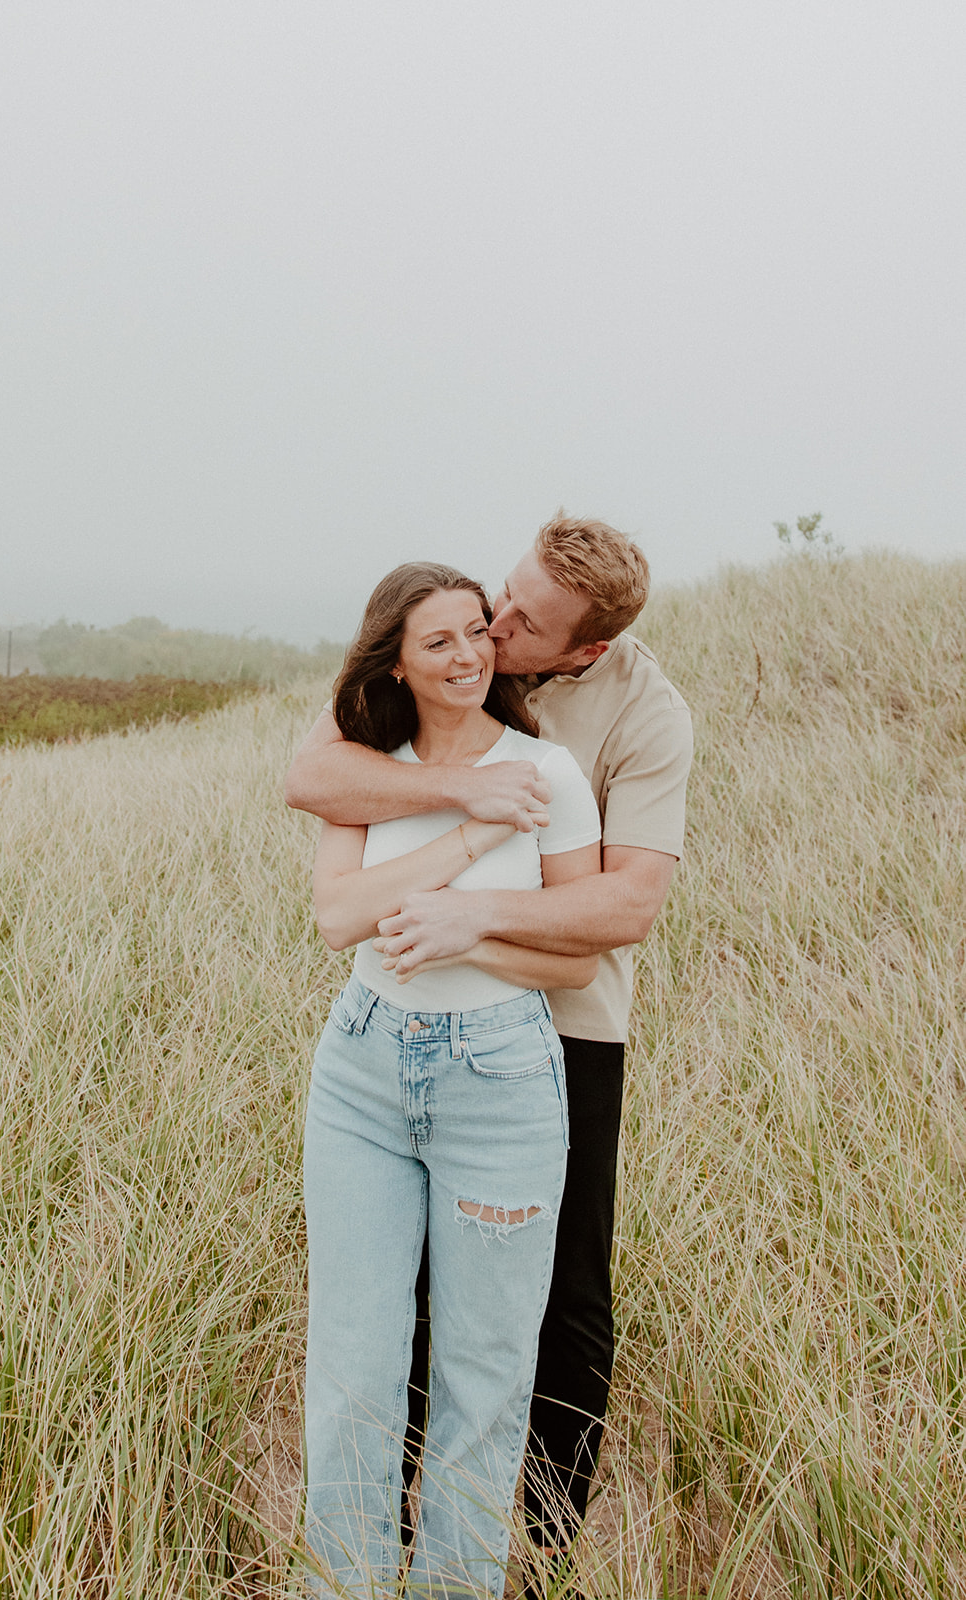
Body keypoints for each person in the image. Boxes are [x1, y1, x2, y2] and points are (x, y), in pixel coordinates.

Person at [286, 516, 693, 1579]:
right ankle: (369, 1553)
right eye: (493, 603)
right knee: (375, 1338)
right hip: (379, 1042)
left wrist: (470, 922)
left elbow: (625, 908)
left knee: (554, 1307)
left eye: (518, 624)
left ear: (585, 648)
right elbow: (316, 794)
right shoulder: (435, 672)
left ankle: (543, 1551)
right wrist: (464, 803)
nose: (494, 632)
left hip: (551, 1035)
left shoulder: (634, 720)